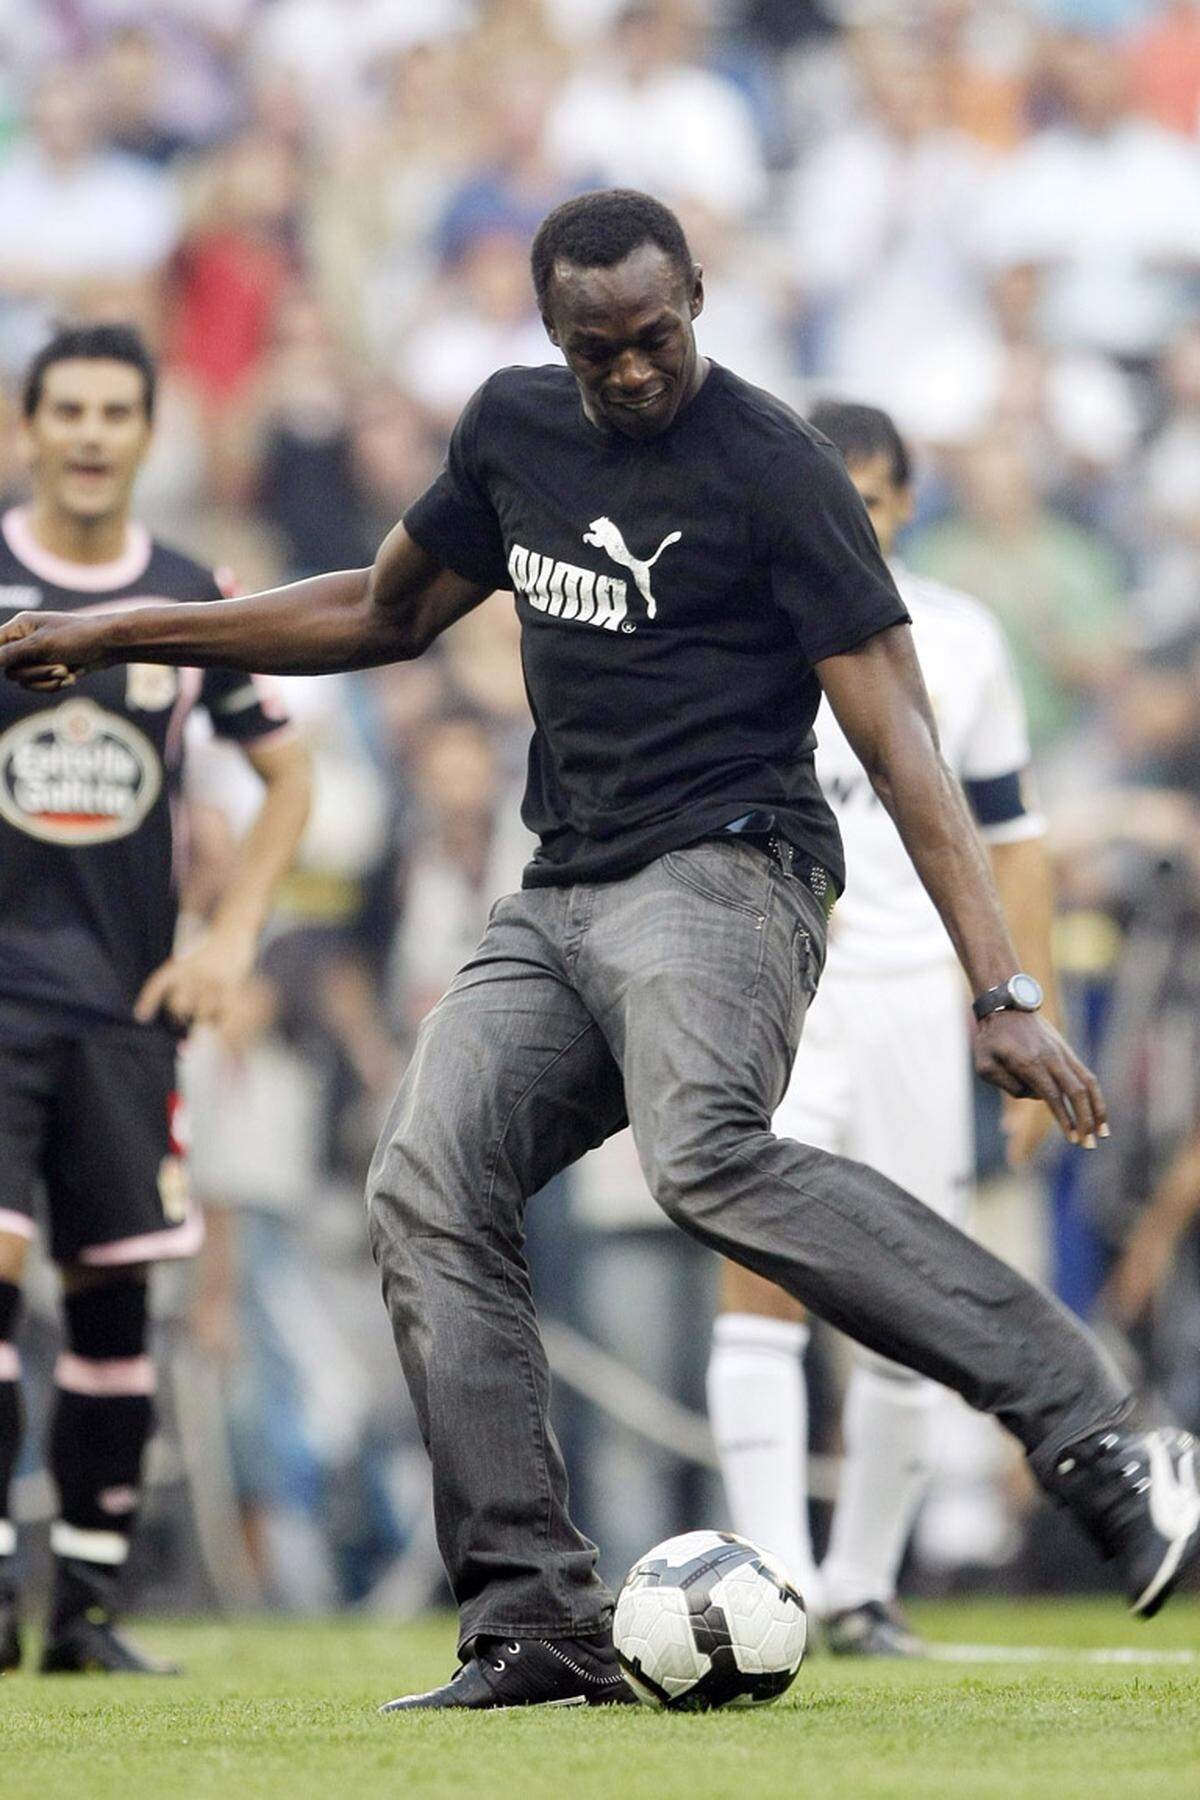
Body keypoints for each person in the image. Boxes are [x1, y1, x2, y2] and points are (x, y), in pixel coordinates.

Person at [2, 192, 1197, 1714]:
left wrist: (1003, 989)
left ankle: (1101, 1427)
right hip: (559, 892)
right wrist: (124, 636)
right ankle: (534, 1622)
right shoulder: (514, 429)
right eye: (597, 349)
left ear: (697, 295)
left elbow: (901, 738)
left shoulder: (775, 467)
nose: (632, 372)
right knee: (424, 1179)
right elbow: (381, 613)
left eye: (655, 337)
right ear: (549, 332)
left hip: (731, 876)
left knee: (700, 1151)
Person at [707, 400, 1057, 1657]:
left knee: (914, 1294)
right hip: (788, 984)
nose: (852, 518)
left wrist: (1027, 1004)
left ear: (906, 504)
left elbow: (1015, 840)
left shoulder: (962, 642)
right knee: (757, 1268)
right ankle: (774, 1585)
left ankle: (859, 1584)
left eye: (872, 496)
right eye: (829, 494)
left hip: (920, 997)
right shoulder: (742, 625)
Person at [0, 324, 311, 1674]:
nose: (86, 432)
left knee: (117, 1306)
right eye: (63, 408)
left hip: (131, 1010)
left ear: (145, 429)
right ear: (27, 425)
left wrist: (233, 934)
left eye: (113, 411)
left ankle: (82, 1611)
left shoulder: (193, 594)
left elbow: (288, 776)